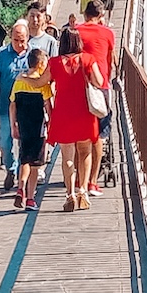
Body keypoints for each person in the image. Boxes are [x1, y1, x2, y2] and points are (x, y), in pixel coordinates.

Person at [46, 25, 104, 211]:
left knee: (67, 157)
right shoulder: (87, 59)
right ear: (78, 42)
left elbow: (42, 81)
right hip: (84, 112)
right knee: (85, 152)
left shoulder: (54, 62)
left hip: (63, 113)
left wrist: (26, 78)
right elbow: (99, 81)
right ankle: (83, 192)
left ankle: (70, 193)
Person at [77, 0, 117, 199]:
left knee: (80, 133)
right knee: (99, 134)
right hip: (101, 87)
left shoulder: (76, 31)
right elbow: (111, 57)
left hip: (79, 87)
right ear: (101, 16)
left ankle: (79, 180)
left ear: (85, 15)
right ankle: (93, 181)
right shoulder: (108, 33)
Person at [0, 22, 31, 193]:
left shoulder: (33, 54)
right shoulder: (2, 54)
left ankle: (21, 173)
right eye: (16, 40)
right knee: (5, 141)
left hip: (27, 107)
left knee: (24, 143)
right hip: (5, 106)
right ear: (10, 38)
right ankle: (10, 168)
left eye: (23, 40)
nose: (20, 44)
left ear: (28, 38)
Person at [9, 49, 54, 212]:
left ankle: (20, 187)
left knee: (24, 158)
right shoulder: (42, 84)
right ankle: (30, 198)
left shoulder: (19, 81)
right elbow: (48, 106)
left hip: (23, 125)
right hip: (38, 126)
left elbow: (12, 104)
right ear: (41, 64)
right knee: (35, 164)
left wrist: (13, 124)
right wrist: (52, 123)